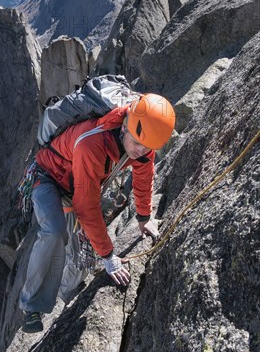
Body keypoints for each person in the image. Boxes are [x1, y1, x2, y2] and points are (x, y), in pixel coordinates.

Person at [20, 93, 176, 333]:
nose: (139, 151)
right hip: (47, 176)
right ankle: (31, 305)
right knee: (55, 230)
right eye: (136, 143)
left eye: (147, 148)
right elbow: (86, 206)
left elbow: (144, 176)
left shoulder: (143, 139)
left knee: (85, 254)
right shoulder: (93, 142)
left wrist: (144, 218)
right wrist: (110, 256)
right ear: (124, 126)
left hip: (76, 184)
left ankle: (69, 294)